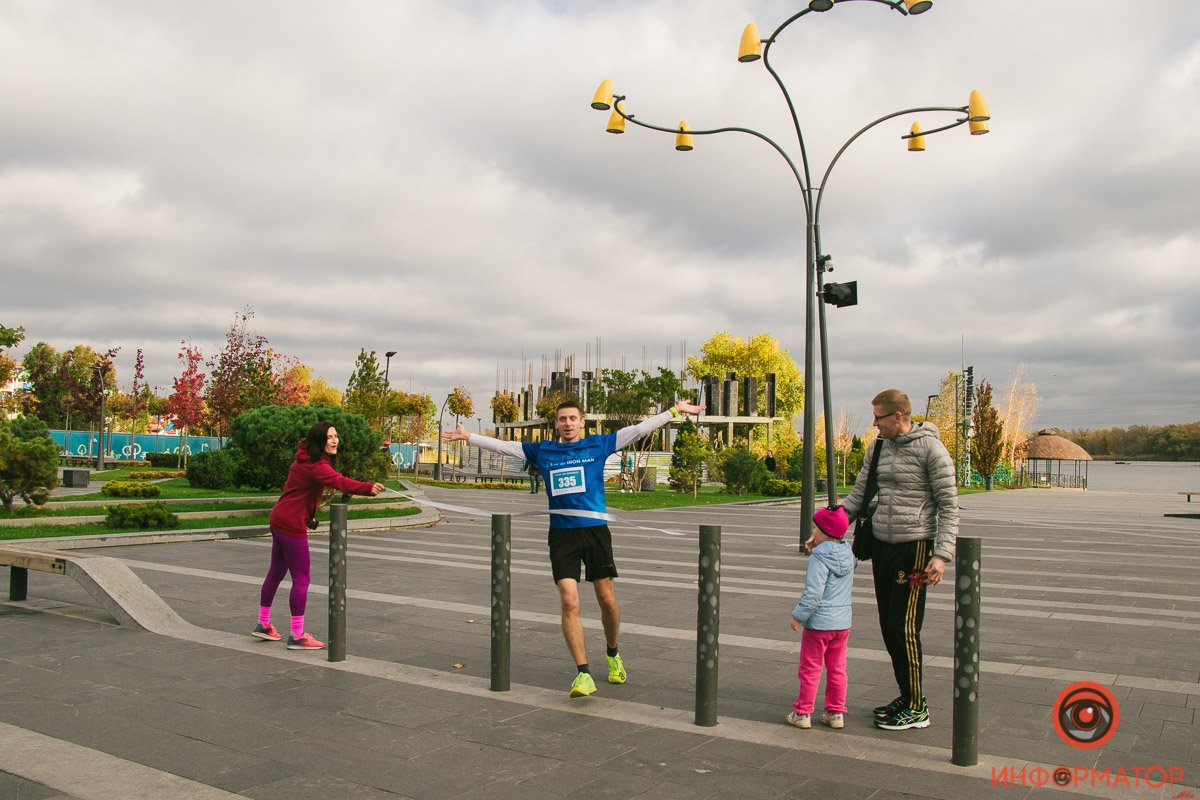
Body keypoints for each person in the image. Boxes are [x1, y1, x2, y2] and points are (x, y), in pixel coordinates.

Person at [443, 397, 703, 697]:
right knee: (569, 601)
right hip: (562, 535)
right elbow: (505, 447)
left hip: (595, 532)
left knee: (606, 599)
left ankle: (613, 652)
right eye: (562, 419)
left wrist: (674, 411)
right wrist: (469, 436)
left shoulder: (598, 445)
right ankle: (583, 673)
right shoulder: (543, 451)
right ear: (556, 424)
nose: (567, 423)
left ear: (581, 422)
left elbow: (637, 431)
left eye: (572, 418)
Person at [841, 389, 958, 731]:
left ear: (897, 417)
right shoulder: (878, 447)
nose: (874, 424)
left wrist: (941, 555)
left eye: (878, 417)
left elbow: (949, 506)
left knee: (903, 627)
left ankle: (917, 707)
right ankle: (907, 696)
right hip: (882, 544)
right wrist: (827, 529)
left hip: (915, 546)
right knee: (887, 626)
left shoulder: (932, 449)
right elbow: (859, 494)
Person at [253, 421, 385, 650]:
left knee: (276, 572)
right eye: (329, 437)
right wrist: (367, 488)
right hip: (290, 524)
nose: (335, 440)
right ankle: (297, 635)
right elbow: (339, 481)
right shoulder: (317, 466)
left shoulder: (304, 459)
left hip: (280, 517)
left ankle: (263, 624)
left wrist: (307, 516)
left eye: (336, 436)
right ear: (319, 441)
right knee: (301, 579)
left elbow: (296, 492)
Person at [787, 505, 855, 730]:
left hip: (819, 625)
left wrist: (798, 616)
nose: (812, 531)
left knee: (810, 668)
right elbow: (844, 556)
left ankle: (802, 713)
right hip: (842, 624)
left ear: (824, 532)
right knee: (837, 668)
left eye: (815, 528)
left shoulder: (819, 557)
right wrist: (820, 543)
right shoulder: (848, 553)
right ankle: (835, 713)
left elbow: (814, 593)